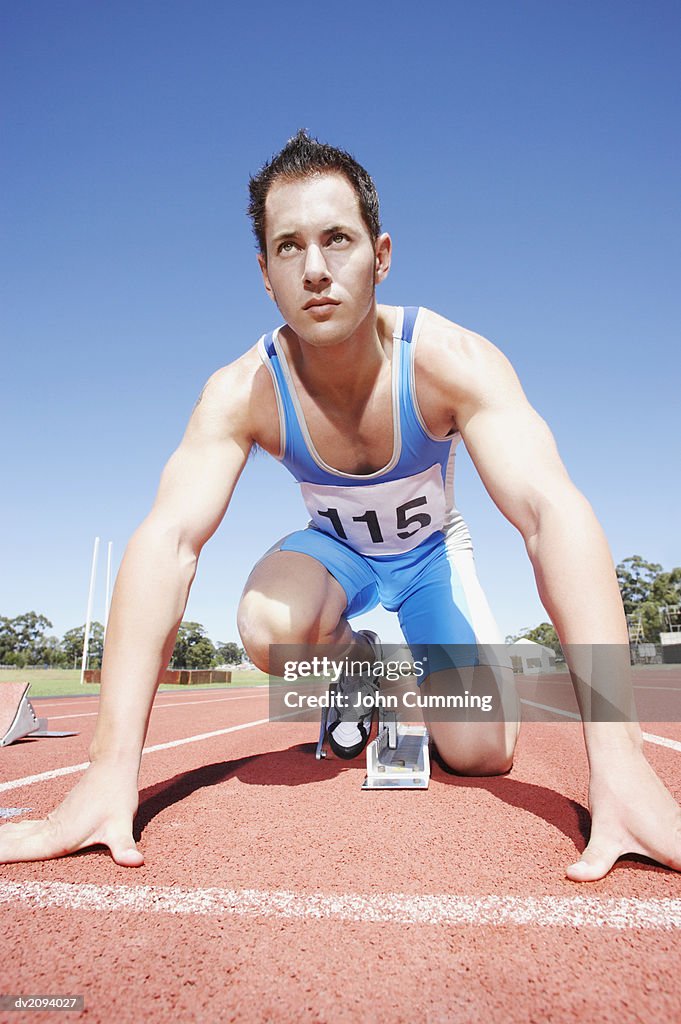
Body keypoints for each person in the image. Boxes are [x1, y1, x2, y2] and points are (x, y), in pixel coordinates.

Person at [1, 131, 679, 881]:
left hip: (431, 561)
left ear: (380, 254)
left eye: (337, 240)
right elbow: (168, 543)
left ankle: (419, 676)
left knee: (483, 753)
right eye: (288, 247)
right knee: (267, 627)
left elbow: (552, 515)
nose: (315, 269)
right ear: (264, 272)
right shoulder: (240, 392)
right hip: (339, 559)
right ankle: (356, 664)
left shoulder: (449, 361)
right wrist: (106, 769)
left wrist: (621, 762)